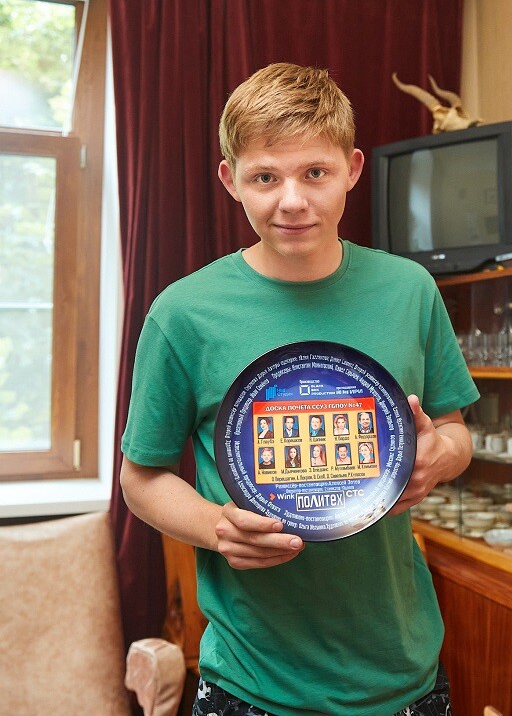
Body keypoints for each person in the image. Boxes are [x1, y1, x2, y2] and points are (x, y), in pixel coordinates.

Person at [120, 62, 479, 716]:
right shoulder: (183, 312)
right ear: (231, 180)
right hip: (252, 683)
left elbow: (455, 430)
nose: (292, 200)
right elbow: (140, 478)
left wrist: (441, 455)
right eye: (265, 177)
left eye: (315, 172)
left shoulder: (410, 290)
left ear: (352, 169)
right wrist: (215, 526)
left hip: (404, 672)